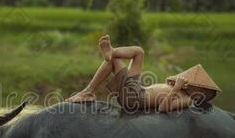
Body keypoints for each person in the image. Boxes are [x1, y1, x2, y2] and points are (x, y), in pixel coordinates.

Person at [66, 35, 221, 113]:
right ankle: (112, 51)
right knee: (139, 52)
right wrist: (175, 85)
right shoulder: (183, 91)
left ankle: (88, 92)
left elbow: (163, 108)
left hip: (135, 97)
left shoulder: (187, 99)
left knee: (114, 61)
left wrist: (176, 88)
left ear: (200, 93)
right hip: (138, 89)